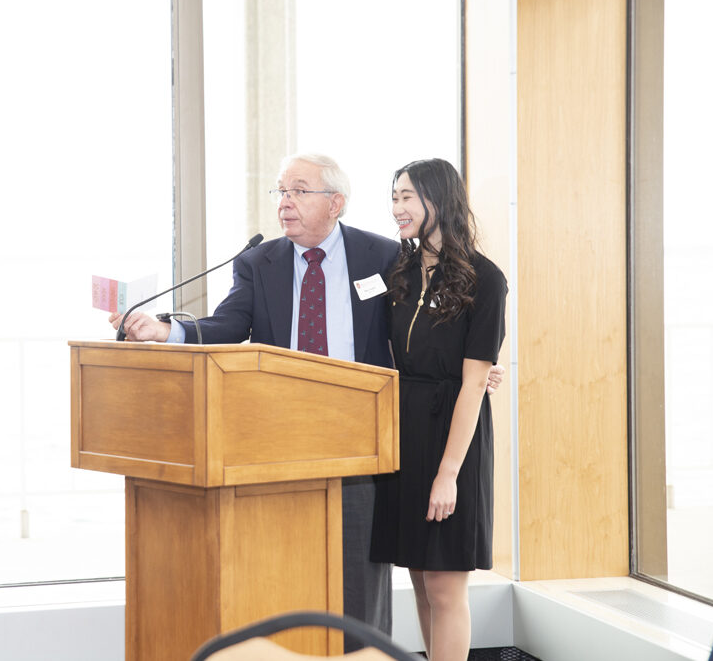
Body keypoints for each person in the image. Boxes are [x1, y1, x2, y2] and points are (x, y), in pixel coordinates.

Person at [110, 153, 503, 650]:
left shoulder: (384, 257)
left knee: (367, 575)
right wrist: (167, 330)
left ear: (334, 203)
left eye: (298, 190)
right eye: (280, 192)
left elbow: (436, 326)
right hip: (284, 439)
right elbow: (229, 325)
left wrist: (479, 367)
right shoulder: (259, 262)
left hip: (368, 438)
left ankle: (368, 657)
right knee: (286, 569)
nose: (284, 202)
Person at [370, 158, 507, 661]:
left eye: (407, 196)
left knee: (447, 587)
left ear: (438, 200)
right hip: (404, 430)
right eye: (394, 196)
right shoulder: (398, 272)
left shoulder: (485, 279)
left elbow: (473, 385)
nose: (396, 208)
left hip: (454, 437)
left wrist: (449, 474)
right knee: (421, 581)